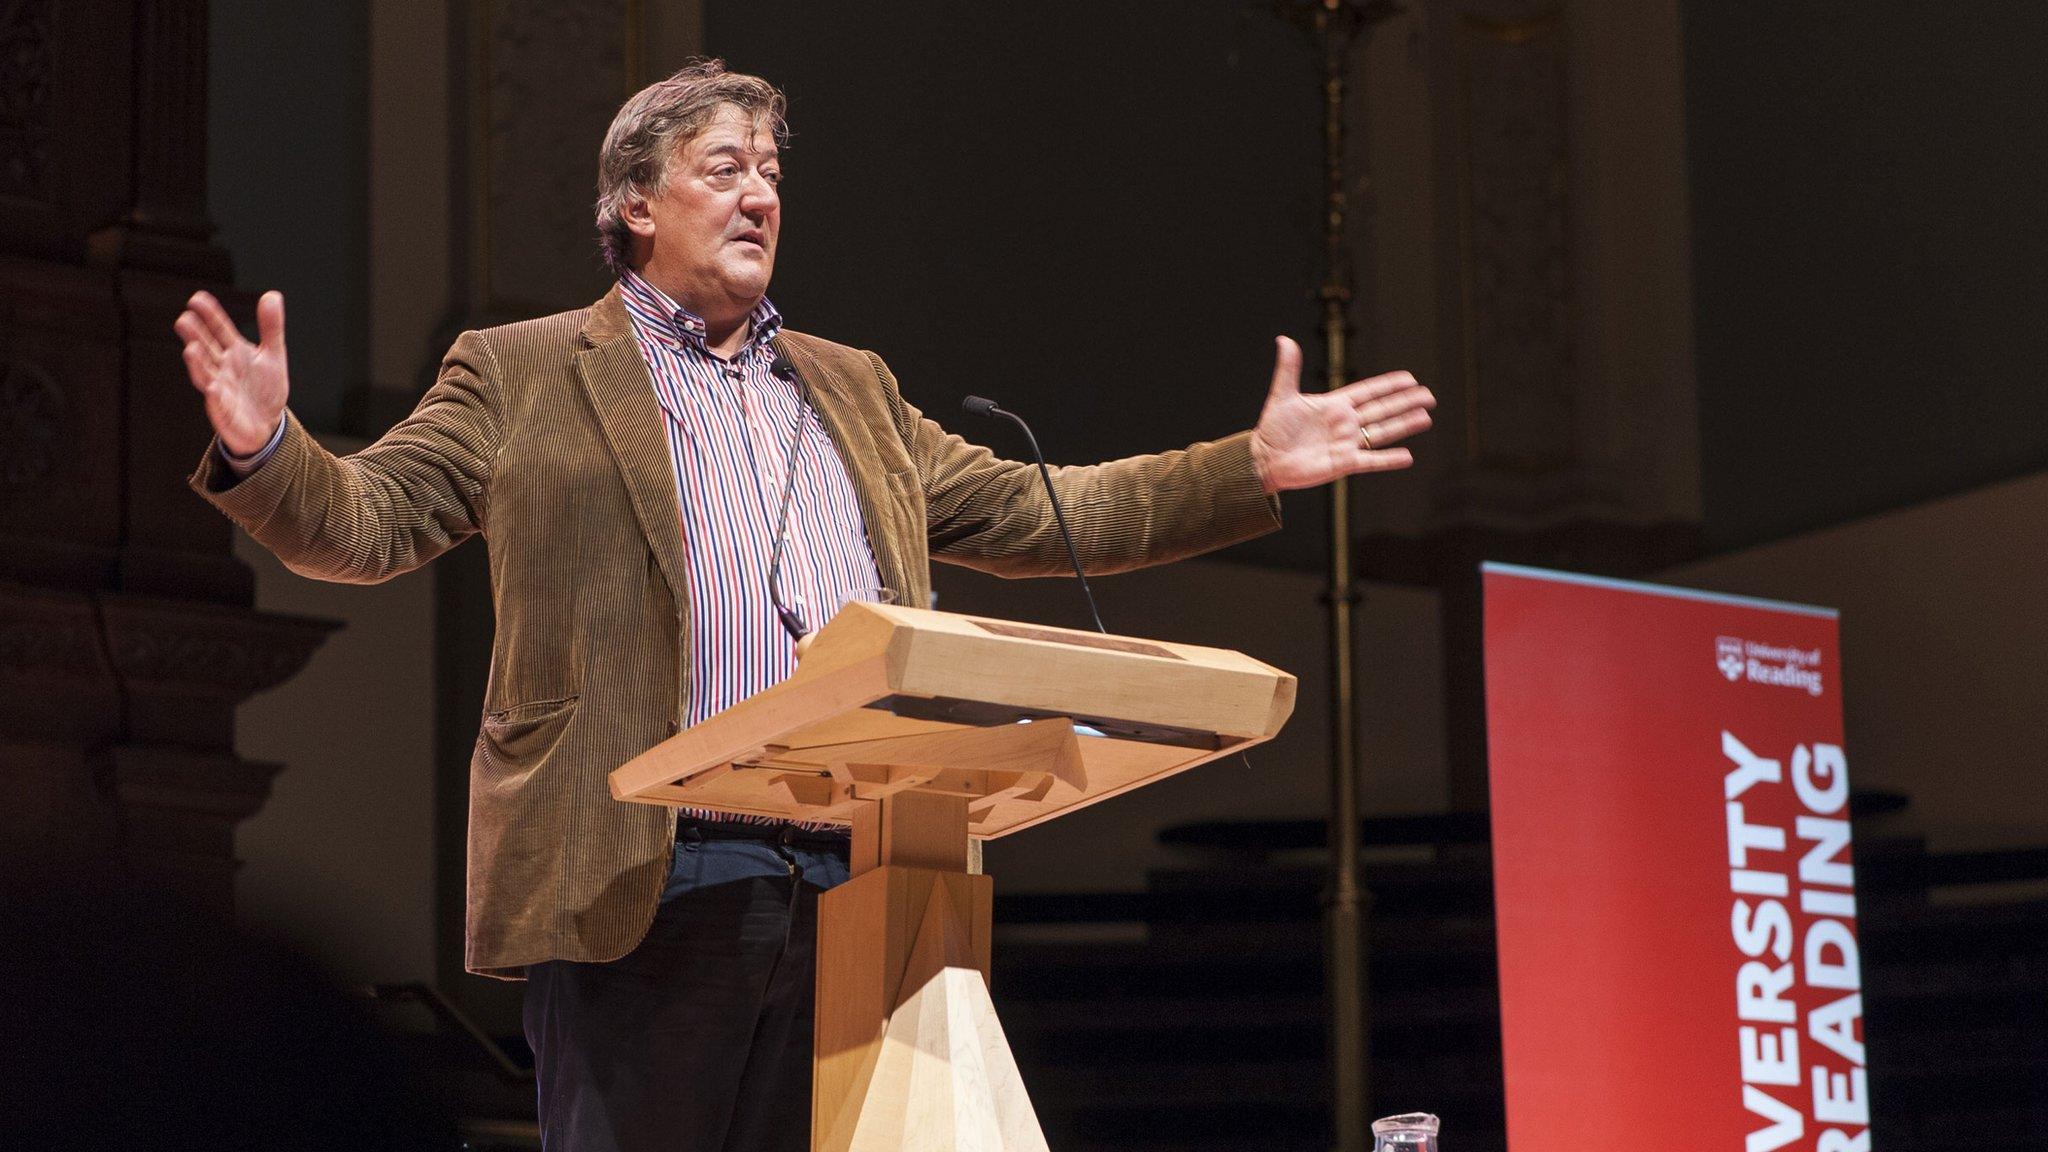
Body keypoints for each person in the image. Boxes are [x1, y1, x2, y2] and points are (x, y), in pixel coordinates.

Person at [174, 59, 1434, 1152]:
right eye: (721, 167)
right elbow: (367, 525)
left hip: (866, 879)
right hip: (648, 877)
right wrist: (267, 445)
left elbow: (1050, 512)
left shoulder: (853, 388)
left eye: (769, 171)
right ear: (632, 202)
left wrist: (1252, 465)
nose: (759, 193)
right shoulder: (522, 372)